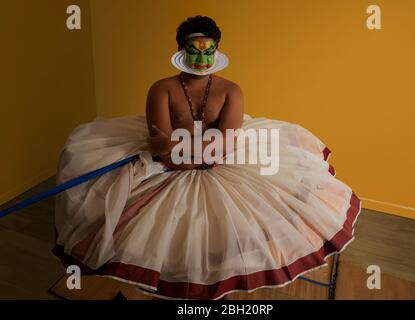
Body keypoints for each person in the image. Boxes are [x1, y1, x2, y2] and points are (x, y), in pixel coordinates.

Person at [53, 15, 362, 300]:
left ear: (217, 50)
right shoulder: (162, 89)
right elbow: (160, 146)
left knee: (228, 232)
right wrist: (178, 153)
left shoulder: (231, 91)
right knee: (162, 236)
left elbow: (224, 143)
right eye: (194, 50)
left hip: (219, 163)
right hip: (170, 167)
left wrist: (184, 150)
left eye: (208, 50)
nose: (201, 58)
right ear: (179, 49)